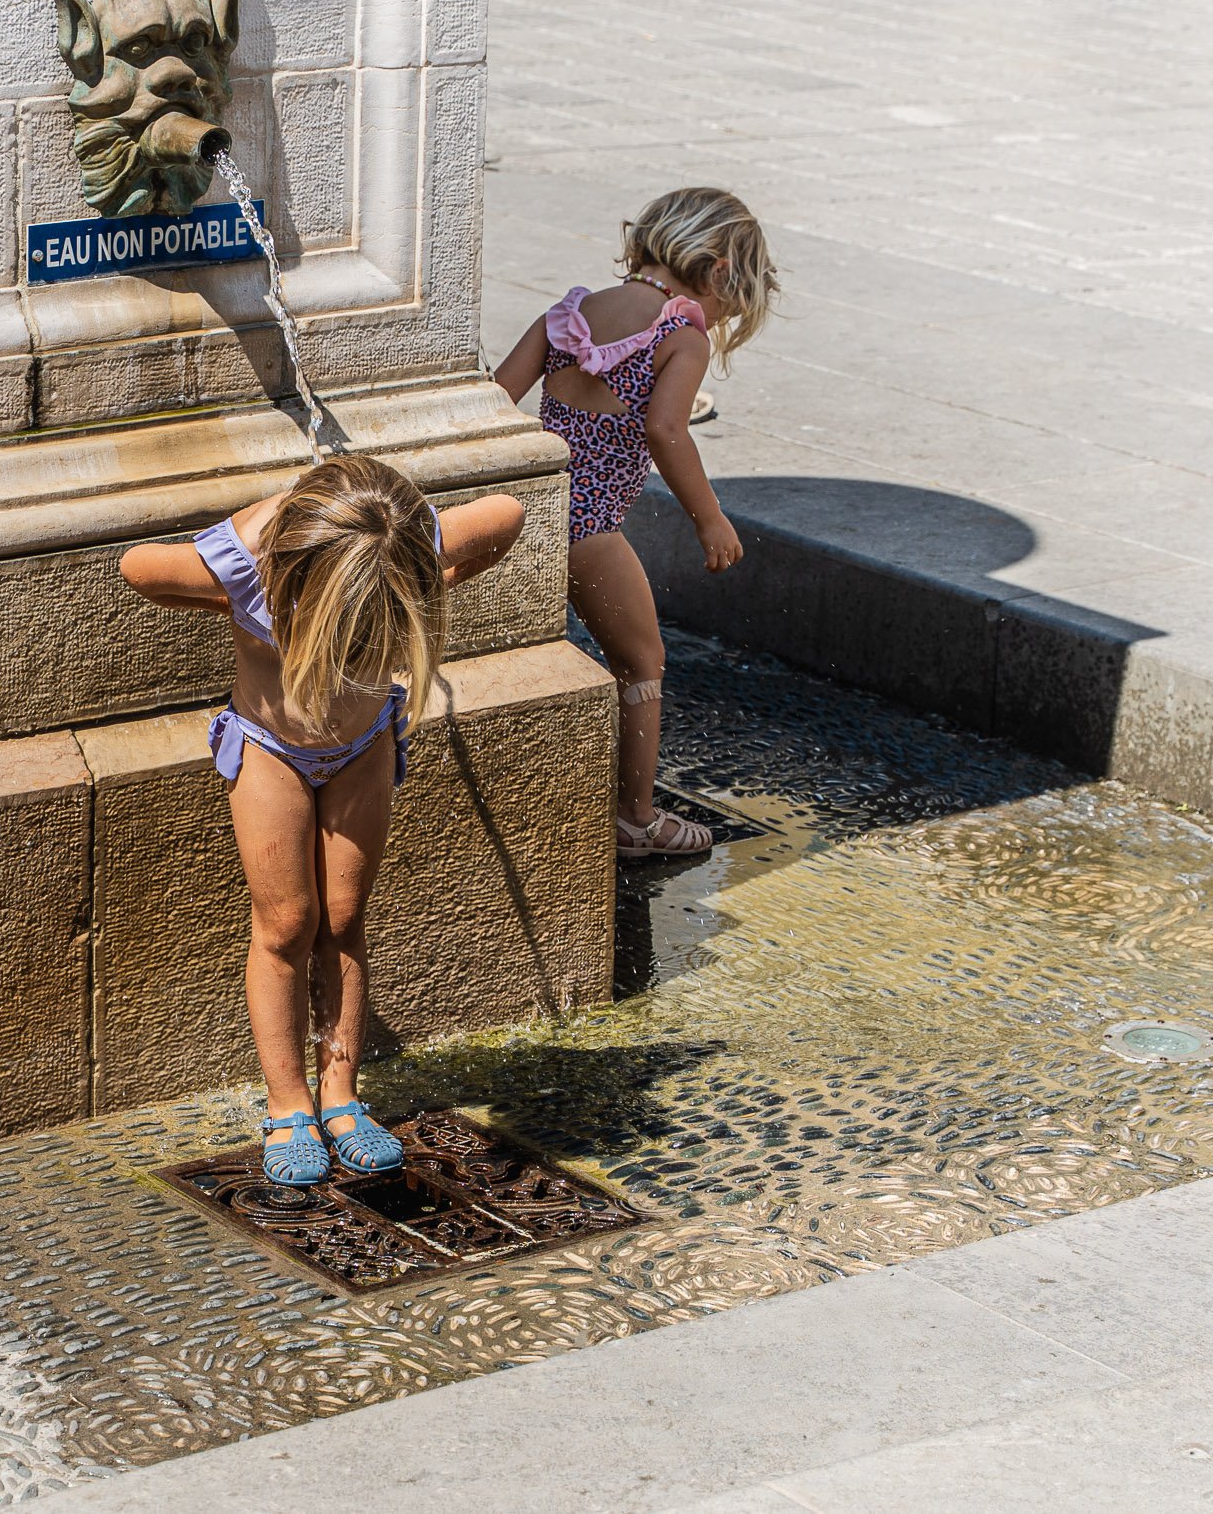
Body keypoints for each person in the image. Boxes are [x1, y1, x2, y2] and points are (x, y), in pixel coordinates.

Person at [118, 456, 524, 1185]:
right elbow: (139, 568)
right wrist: (233, 596)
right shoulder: (251, 561)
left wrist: (433, 586)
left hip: (363, 745)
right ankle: (287, 1101)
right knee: (284, 924)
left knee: (343, 915)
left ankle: (340, 1091)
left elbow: (507, 515)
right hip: (273, 749)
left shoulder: (394, 540)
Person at [492, 187, 777, 858]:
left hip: (533, 511)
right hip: (589, 525)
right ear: (716, 273)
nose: (719, 319)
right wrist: (709, 520)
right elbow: (666, 428)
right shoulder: (680, 336)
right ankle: (636, 818)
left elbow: (495, 398)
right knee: (641, 661)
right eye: (728, 305)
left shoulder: (572, 313)